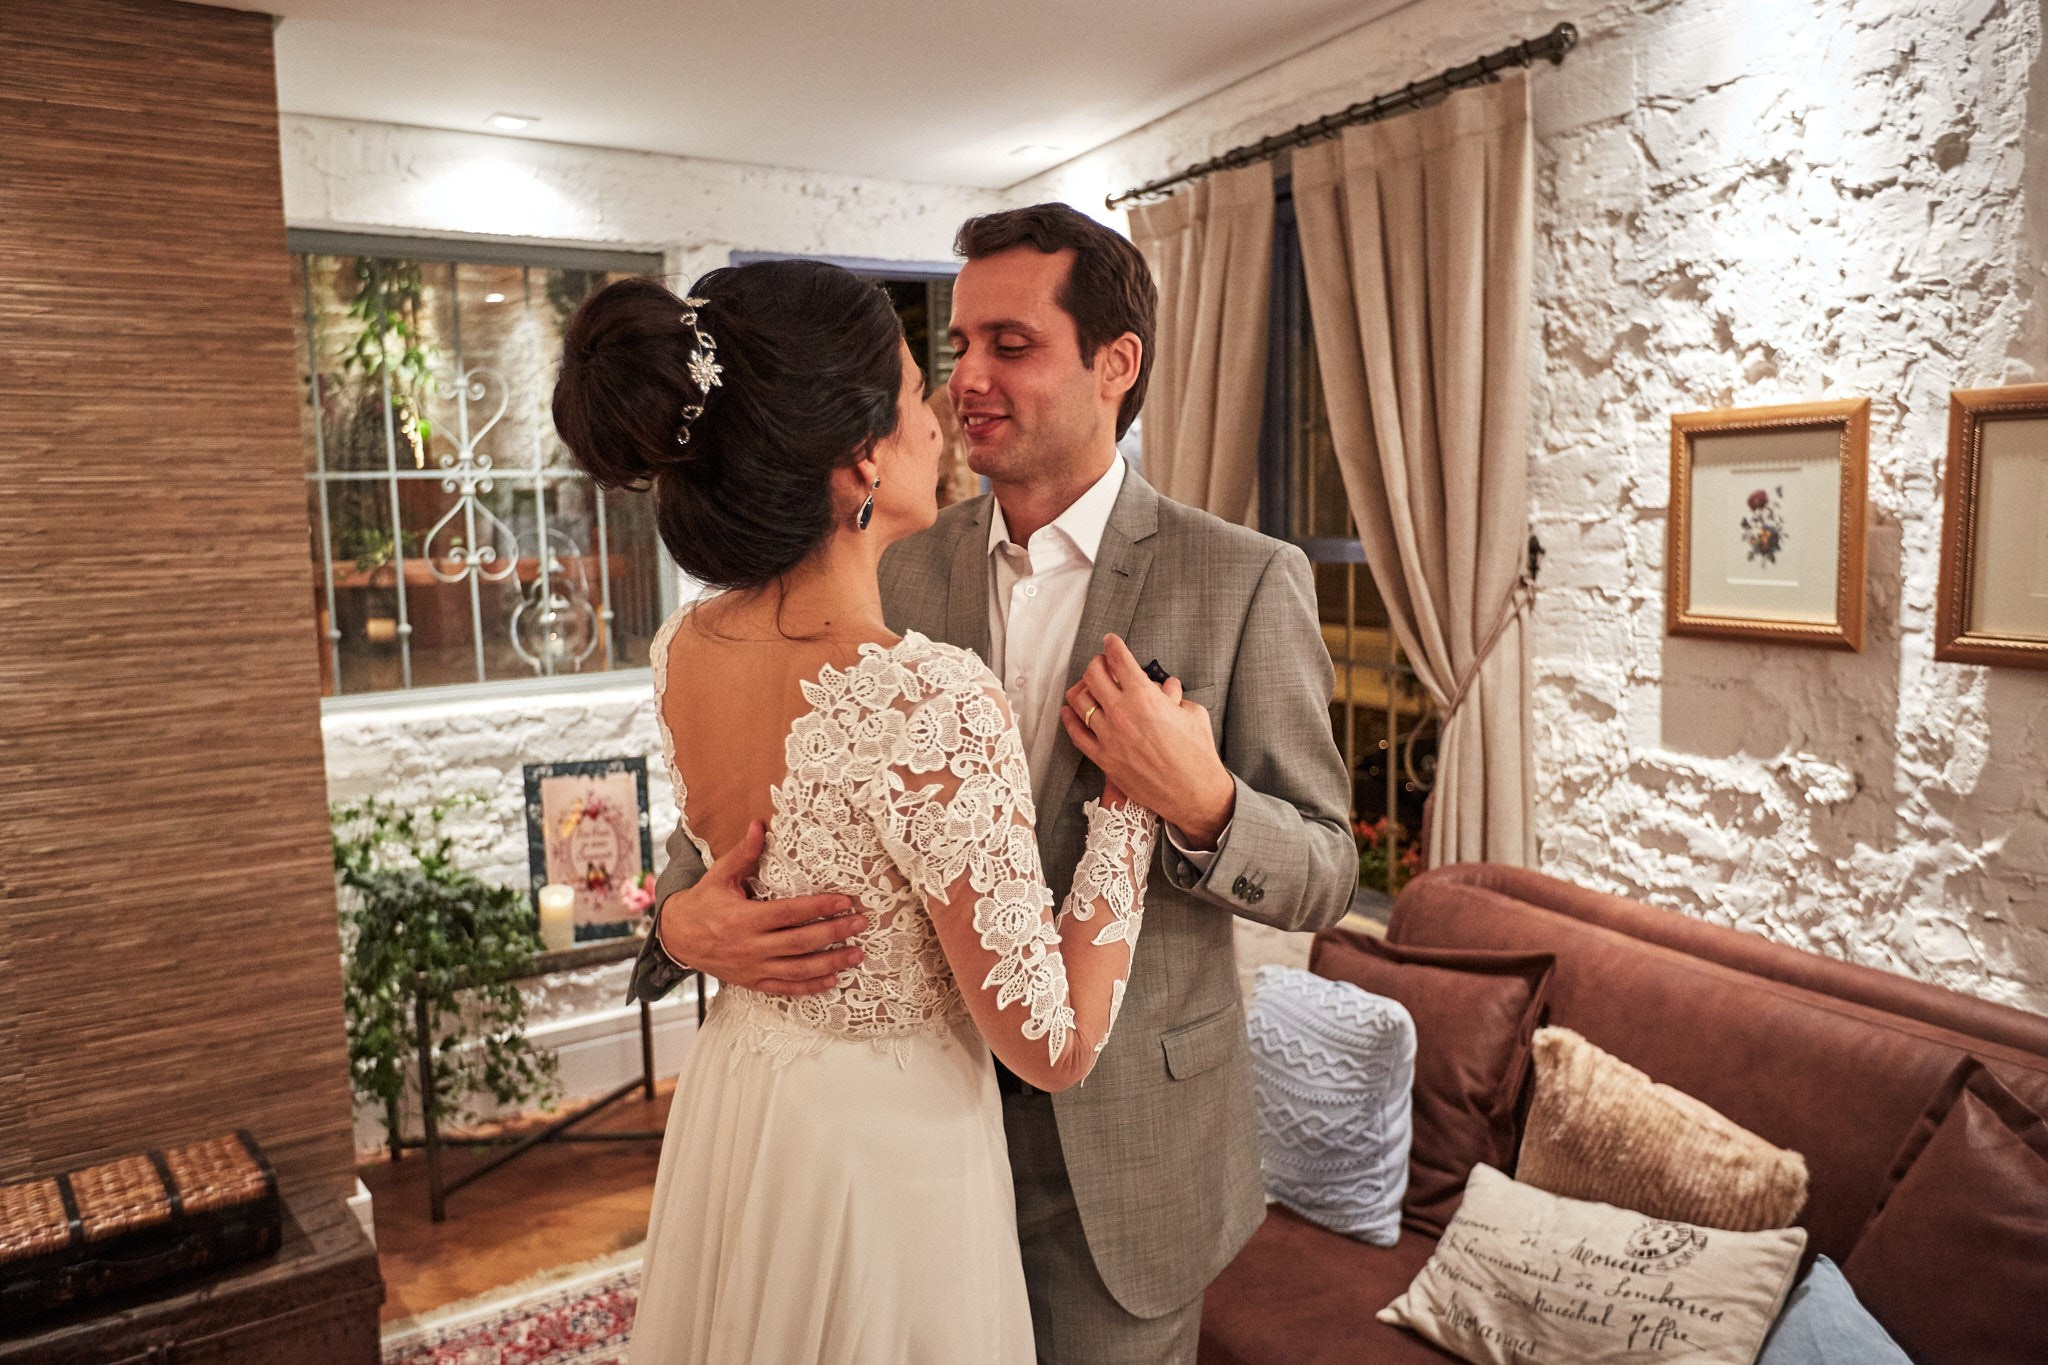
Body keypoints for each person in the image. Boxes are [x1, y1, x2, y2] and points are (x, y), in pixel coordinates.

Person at [633, 206, 1357, 1362]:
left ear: (1115, 364)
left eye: (1007, 345)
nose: (967, 378)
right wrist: (679, 921)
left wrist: (1199, 801)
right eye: (955, 345)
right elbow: (745, 811)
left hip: (1120, 1167)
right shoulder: (883, 556)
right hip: (892, 1151)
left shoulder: (1244, 579)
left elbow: (1326, 870)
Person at [552, 259, 1161, 1364]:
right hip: (886, 1160)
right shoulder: (922, 694)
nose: (942, 418)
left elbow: (739, 849)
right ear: (863, 457)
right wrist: (1130, 808)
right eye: (914, 391)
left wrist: (687, 917)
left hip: (751, 1104)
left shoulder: (685, 649)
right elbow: (1052, 1043)